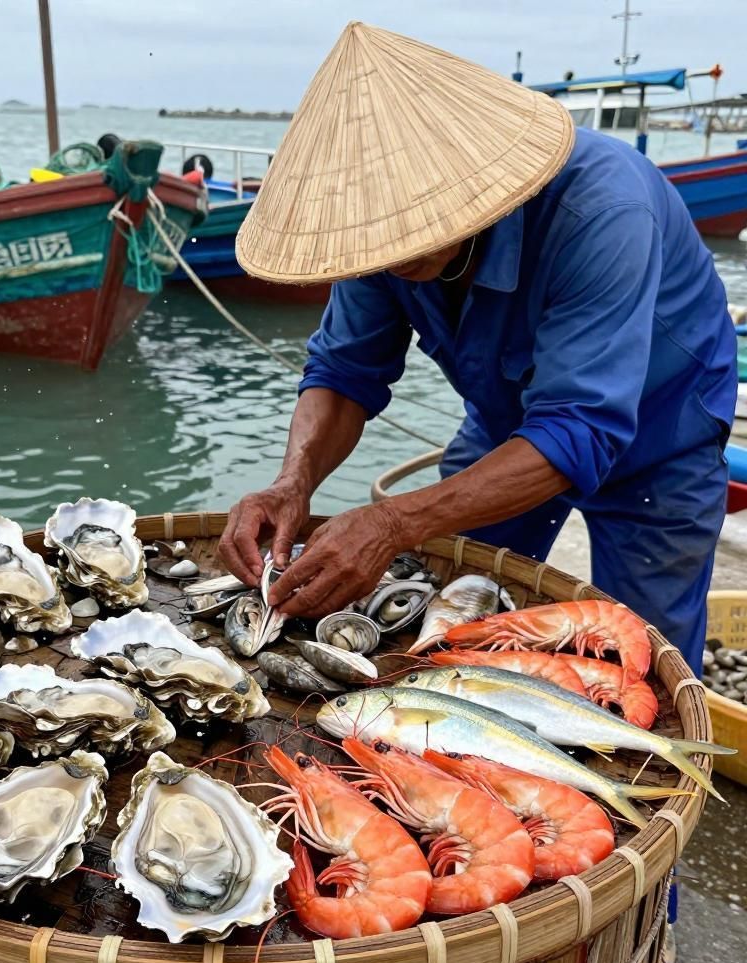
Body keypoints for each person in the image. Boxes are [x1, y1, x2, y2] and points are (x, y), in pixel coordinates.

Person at [221, 22, 736, 676]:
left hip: (663, 439)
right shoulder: (374, 239)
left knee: (638, 663)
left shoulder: (602, 209)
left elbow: (580, 429)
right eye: (379, 243)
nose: (391, 258)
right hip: (508, 425)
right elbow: (345, 373)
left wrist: (392, 523)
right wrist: (293, 482)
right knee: (451, 610)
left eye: (412, 234)